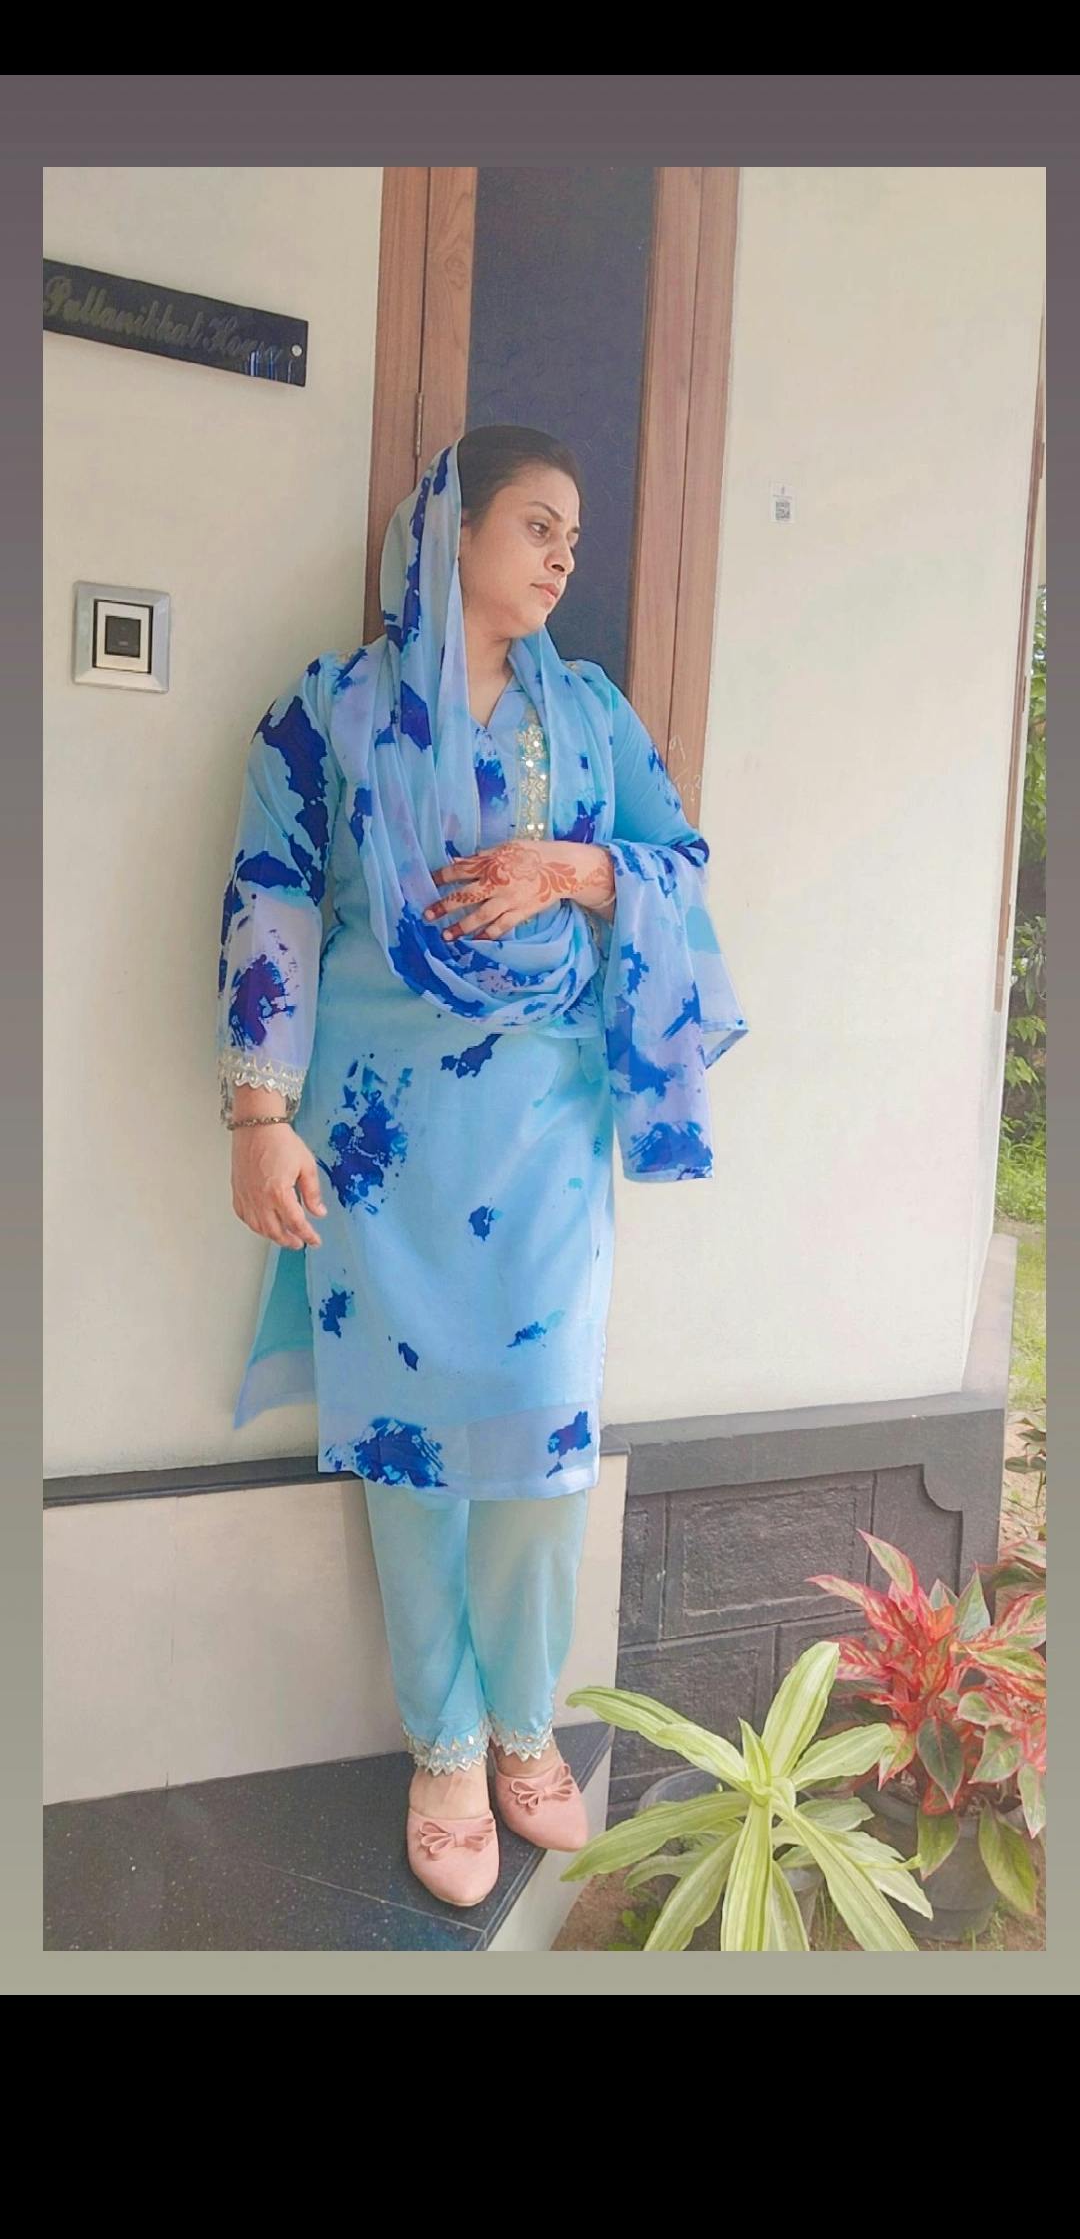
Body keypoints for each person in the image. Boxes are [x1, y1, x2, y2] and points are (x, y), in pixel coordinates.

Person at [216, 425, 748, 1908]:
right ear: (451, 532)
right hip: (377, 1142)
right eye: (536, 524)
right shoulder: (328, 712)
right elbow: (271, 895)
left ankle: (528, 1722)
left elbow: (677, 864)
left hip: (546, 1136)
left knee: (543, 1437)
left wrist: (564, 869)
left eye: (573, 532)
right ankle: (445, 1750)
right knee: (409, 1451)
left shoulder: (590, 715)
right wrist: (259, 1114)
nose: (564, 554)